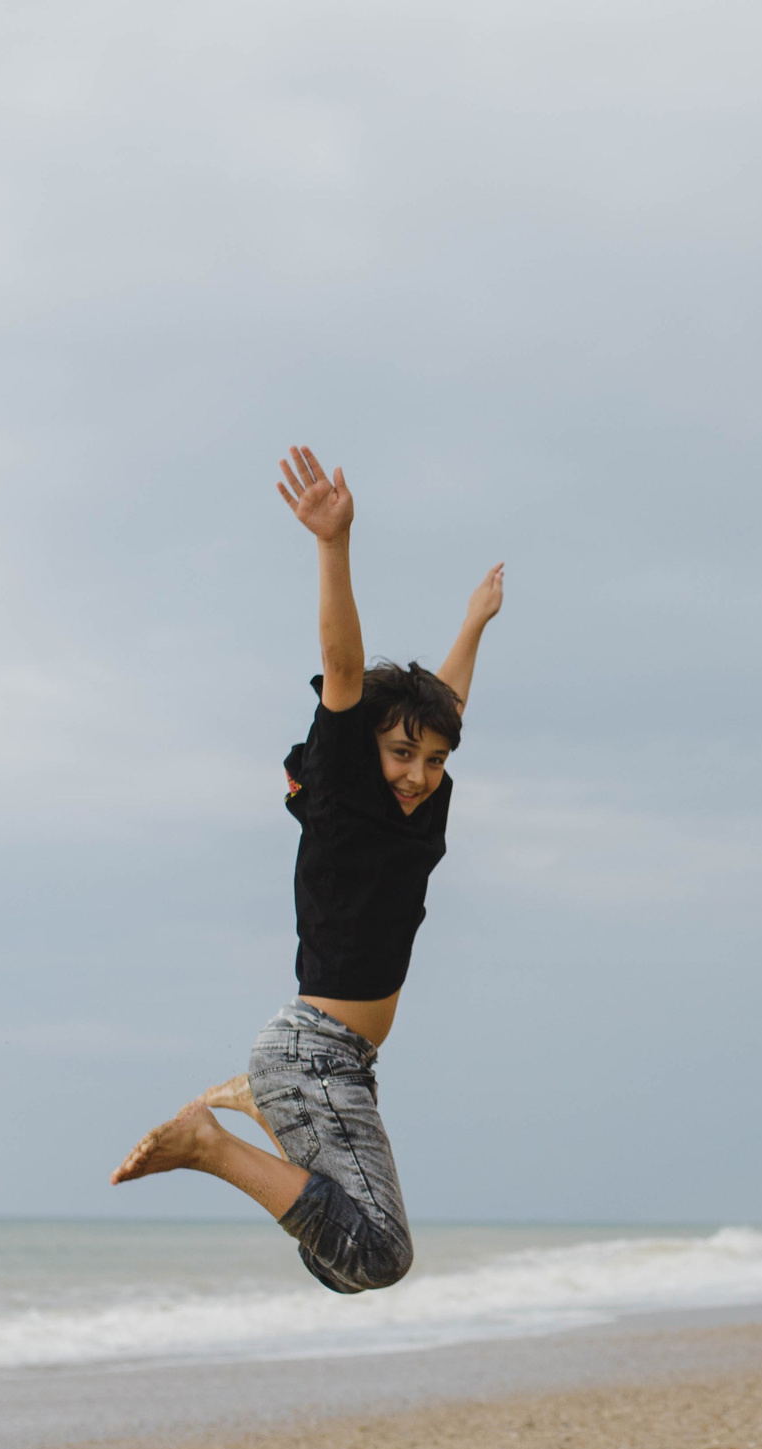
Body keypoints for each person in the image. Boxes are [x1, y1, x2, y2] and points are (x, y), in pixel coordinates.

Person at [109, 445, 505, 1293]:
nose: (418, 772)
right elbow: (349, 672)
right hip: (313, 1052)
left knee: (339, 1265)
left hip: (340, 1060)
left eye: (433, 759)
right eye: (401, 752)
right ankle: (207, 1142)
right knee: (379, 1254)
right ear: (366, 750)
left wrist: (474, 622)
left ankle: (253, 1100)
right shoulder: (346, 796)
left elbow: (447, 706)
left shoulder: (418, 806)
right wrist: (334, 545)